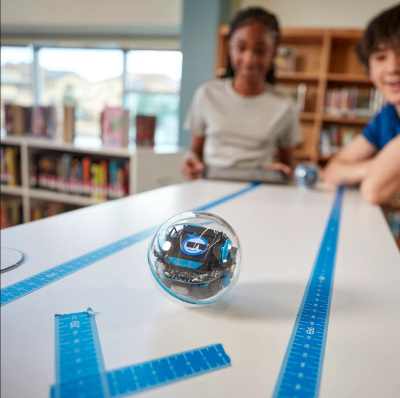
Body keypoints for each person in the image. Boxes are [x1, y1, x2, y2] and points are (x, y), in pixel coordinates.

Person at [182, 7, 302, 180]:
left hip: (260, 189)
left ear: (274, 53)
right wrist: (190, 161)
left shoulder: (284, 104)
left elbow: (288, 166)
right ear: (229, 47)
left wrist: (281, 173)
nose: (249, 59)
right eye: (241, 48)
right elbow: (194, 152)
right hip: (209, 185)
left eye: (260, 51)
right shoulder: (207, 94)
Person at [321, 5, 400, 204]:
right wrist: (374, 167)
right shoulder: (388, 114)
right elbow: (332, 170)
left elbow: (374, 189)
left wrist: (371, 171)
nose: (393, 68)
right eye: (381, 57)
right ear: (369, 67)